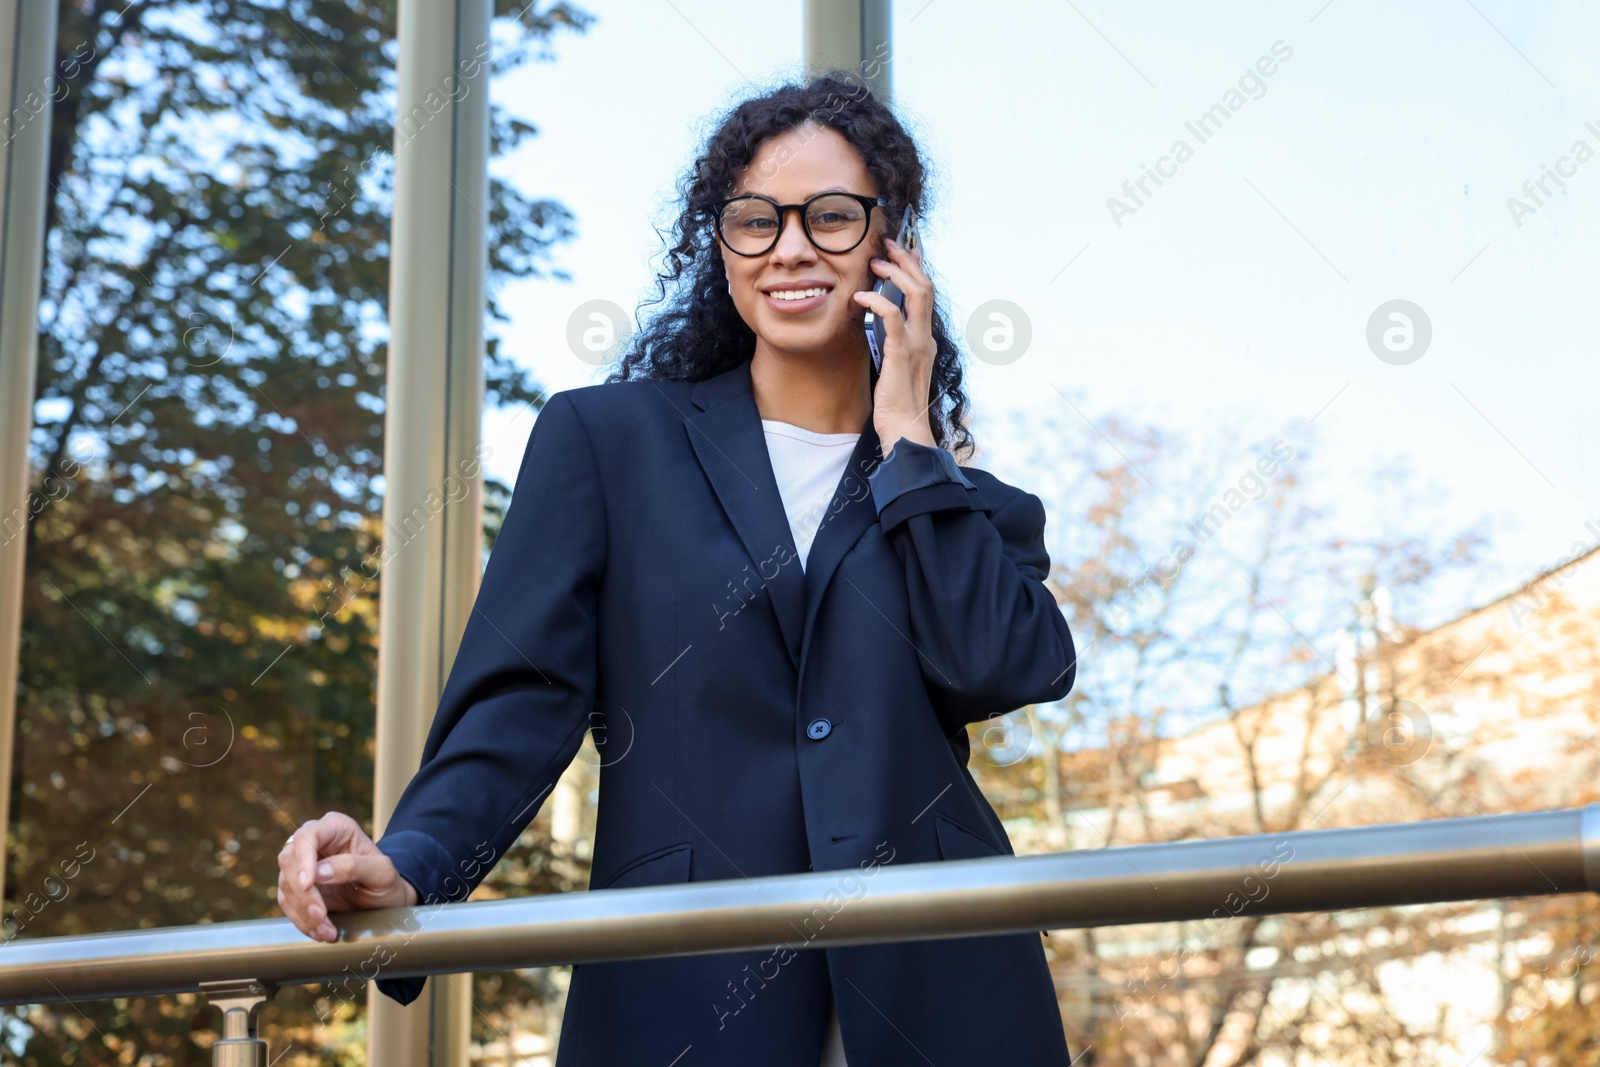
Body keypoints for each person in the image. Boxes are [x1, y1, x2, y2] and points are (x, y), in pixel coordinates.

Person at [276, 72, 1078, 1066]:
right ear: (721, 242)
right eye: (755, 220)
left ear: (891, 238)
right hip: (686, 986)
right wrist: (411, 863)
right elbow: (520, 699)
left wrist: (909, 437)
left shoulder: (963, 501)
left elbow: (1008, 665)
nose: (790, 246)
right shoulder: (609, 444)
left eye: (831, 216)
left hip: (944, 990)